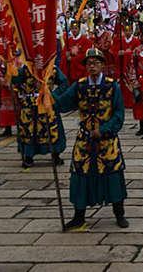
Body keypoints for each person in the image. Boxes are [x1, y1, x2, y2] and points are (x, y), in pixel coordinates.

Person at [53, 48, 129, 231]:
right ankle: (79, 216)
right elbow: (63, 103)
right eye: (89, 63)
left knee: (113, 174)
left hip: (107, 141)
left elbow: (119, 113)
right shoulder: (79, 86)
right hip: (85, 140)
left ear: (102, 65)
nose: (92, 66)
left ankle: (119, 213)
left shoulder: (112, 86)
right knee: (80, 175)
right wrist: (48, 96)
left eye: (96, 62)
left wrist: (104, 129)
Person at [11, 63, 69, 169]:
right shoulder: (26, 69)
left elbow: (64, 81)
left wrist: (53, 94)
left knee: (51, 130)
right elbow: (14, 79)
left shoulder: (52, 68)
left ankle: (55, 155)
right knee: (28, 131)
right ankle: (28, 156)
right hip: (29, 106)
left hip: (47, 104)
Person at [112, 21, 140, 110]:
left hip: (132, 66)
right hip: (123, 66)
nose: (127, 32)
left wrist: (127, 53)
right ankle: (125, 101)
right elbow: (115, 52)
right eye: (126, 30)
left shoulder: (136, 41)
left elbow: (138, 52)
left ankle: (133, 100)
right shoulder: (122, 41)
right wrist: (119, 54)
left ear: (132, 31)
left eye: (129, 30)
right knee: (124, 85)